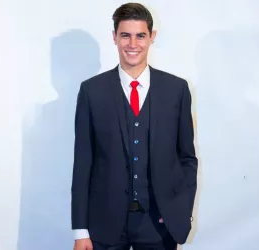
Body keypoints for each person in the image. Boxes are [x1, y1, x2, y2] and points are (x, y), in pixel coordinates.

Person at [71, 2, 198, 250]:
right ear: (114, 38)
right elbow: (83, 163)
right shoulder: (91, 91)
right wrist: (80, 231)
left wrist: (178, 213)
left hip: (158, 225)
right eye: (125, 35)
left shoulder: (177, 90)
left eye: (140, 35)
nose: (133, 44)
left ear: (152, 37)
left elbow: (187, 158)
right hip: (104, 224)